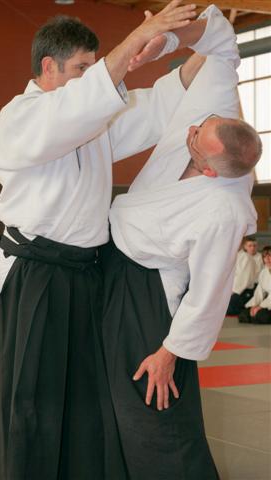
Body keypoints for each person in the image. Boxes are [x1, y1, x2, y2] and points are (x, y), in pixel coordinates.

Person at [0, 3, 200, 479]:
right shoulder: (20, 117)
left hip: (84, 273)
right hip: (36, 275)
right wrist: (141, 36)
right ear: (48, 68)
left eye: (94, 67)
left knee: (85, 398)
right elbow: (78, 108)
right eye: (82, 67)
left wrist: (207, 50)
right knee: (31, 403)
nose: (92, 76)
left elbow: (155, 106)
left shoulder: (90, 121)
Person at [101, 5, 262, 479]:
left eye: (195, 141)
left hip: (153, 298)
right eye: (197, 127)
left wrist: (169, 352)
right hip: (116, 265)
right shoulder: (217, 114)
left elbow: (209, 291)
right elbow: (222, 39)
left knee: (153, 403)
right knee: (112, 395)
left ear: (212, 170)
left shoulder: (224, 211)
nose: (189, 130)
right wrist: (167, 40)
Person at [238, 246, 271, 324]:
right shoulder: (264, 272)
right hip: (268, 303)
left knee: (261, 315)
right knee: (244, 314)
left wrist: (261, 306)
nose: (267, 259)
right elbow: (259, 292)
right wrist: (253, 306)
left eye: (270, 256)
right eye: (265, 257)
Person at [227, 243, 257, 315]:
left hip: (243, 292)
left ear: (240, 244)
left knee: (225, 308)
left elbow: (243, 280)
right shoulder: (231, 257)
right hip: (231, 291)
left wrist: (231, 293)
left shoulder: (246, 257)